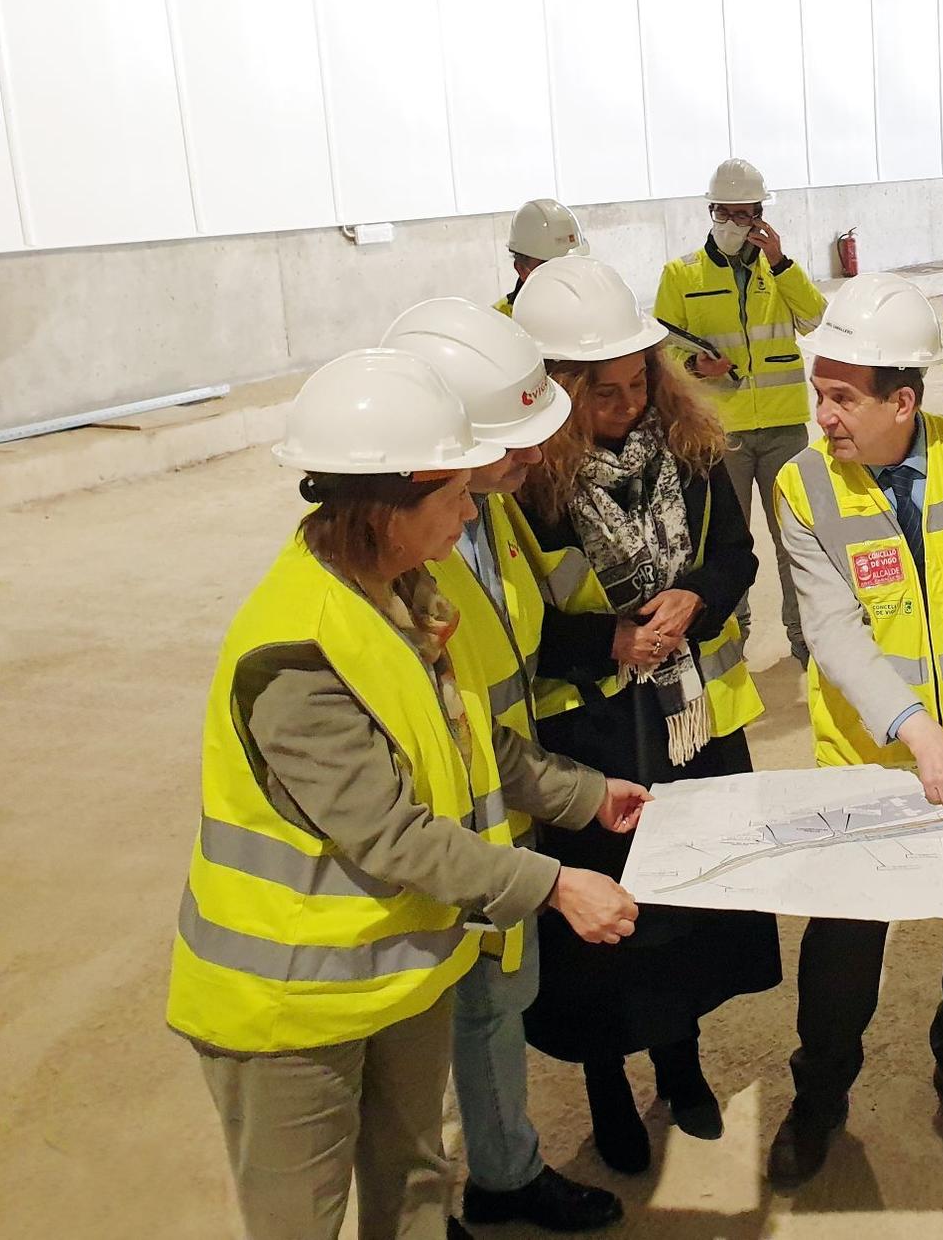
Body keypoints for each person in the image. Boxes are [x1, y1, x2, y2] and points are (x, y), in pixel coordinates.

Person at [166, 348, 644, 1240]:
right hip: (287, 1007)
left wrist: (585, 796)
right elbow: (392, 834)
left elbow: (470, 739)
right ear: (387, 507)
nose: (474, 509)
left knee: (418, 1185)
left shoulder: (400, 589)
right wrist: (552, 885)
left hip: (398, 972)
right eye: (455, 494)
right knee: (299, 1221)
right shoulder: (296, 654)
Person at [768, 273, 943, 1187]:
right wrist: (915, 733)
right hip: (867, 758)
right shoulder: (802, 485)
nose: (823, 417)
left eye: (841, 397)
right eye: (818, 391)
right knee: (844, 946)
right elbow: (833, 629)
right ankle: (820, 1095)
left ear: (904, 399)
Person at [511, 256, 781, 1173]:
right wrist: (606, 647)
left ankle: (682, 1066)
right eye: (601, 394)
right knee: (603, 924)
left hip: (692, 728)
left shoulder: (694, 453)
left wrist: (695, 601)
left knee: (685, 910)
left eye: (635, 385)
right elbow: (509, 630)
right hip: (589, 738)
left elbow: (739, 557)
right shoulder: (524, 495)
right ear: (554, 393)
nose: (624, 407)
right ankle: (606, 1091)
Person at [380, 298, 625, 1233]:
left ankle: (504, 1173)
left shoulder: (490, 517)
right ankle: (423, 1202)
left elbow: (508, 667)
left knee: (494, 1010)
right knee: (415, 1053)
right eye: (510, 443)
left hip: (499, 802)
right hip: (432, 845)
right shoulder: (395, 561)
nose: (531, 459)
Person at [655, 157, 826, 666]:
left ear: (760, 216)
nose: (735, 224)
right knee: (728, 546)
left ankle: (807, 644)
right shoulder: (681, 274)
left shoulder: (779, 272)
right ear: (710, 212)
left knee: (797, 543)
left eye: (745, 214)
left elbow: (814, 318)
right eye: (724, 214)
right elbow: (661, 352)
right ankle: (734, 641)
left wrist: (780, 262)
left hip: (782, 426)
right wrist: (694, 365)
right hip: (719, 432)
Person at [499, 199, 589, 315]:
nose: (567, 274)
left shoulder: (596, 304)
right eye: (553, 266)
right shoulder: (499, 323)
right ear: (521, 269)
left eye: (572, 263)